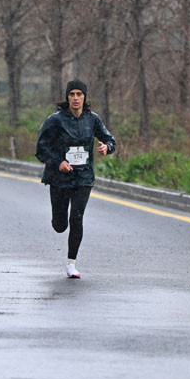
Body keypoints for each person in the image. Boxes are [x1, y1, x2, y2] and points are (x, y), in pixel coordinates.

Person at [35, 79, 116, 279]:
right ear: (67, 97)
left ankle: (72, 264)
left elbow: (109, 139)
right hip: (60, 178)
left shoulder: (92, 119)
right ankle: (58, 221)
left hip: (83, 177)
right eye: (72, 94)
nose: (76, 98)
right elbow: (41, 148)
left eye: (79, 94)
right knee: (60, 225)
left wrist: (107, 147)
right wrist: (58, 162)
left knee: (77, 218)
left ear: (84, 97)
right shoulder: (56, 120)